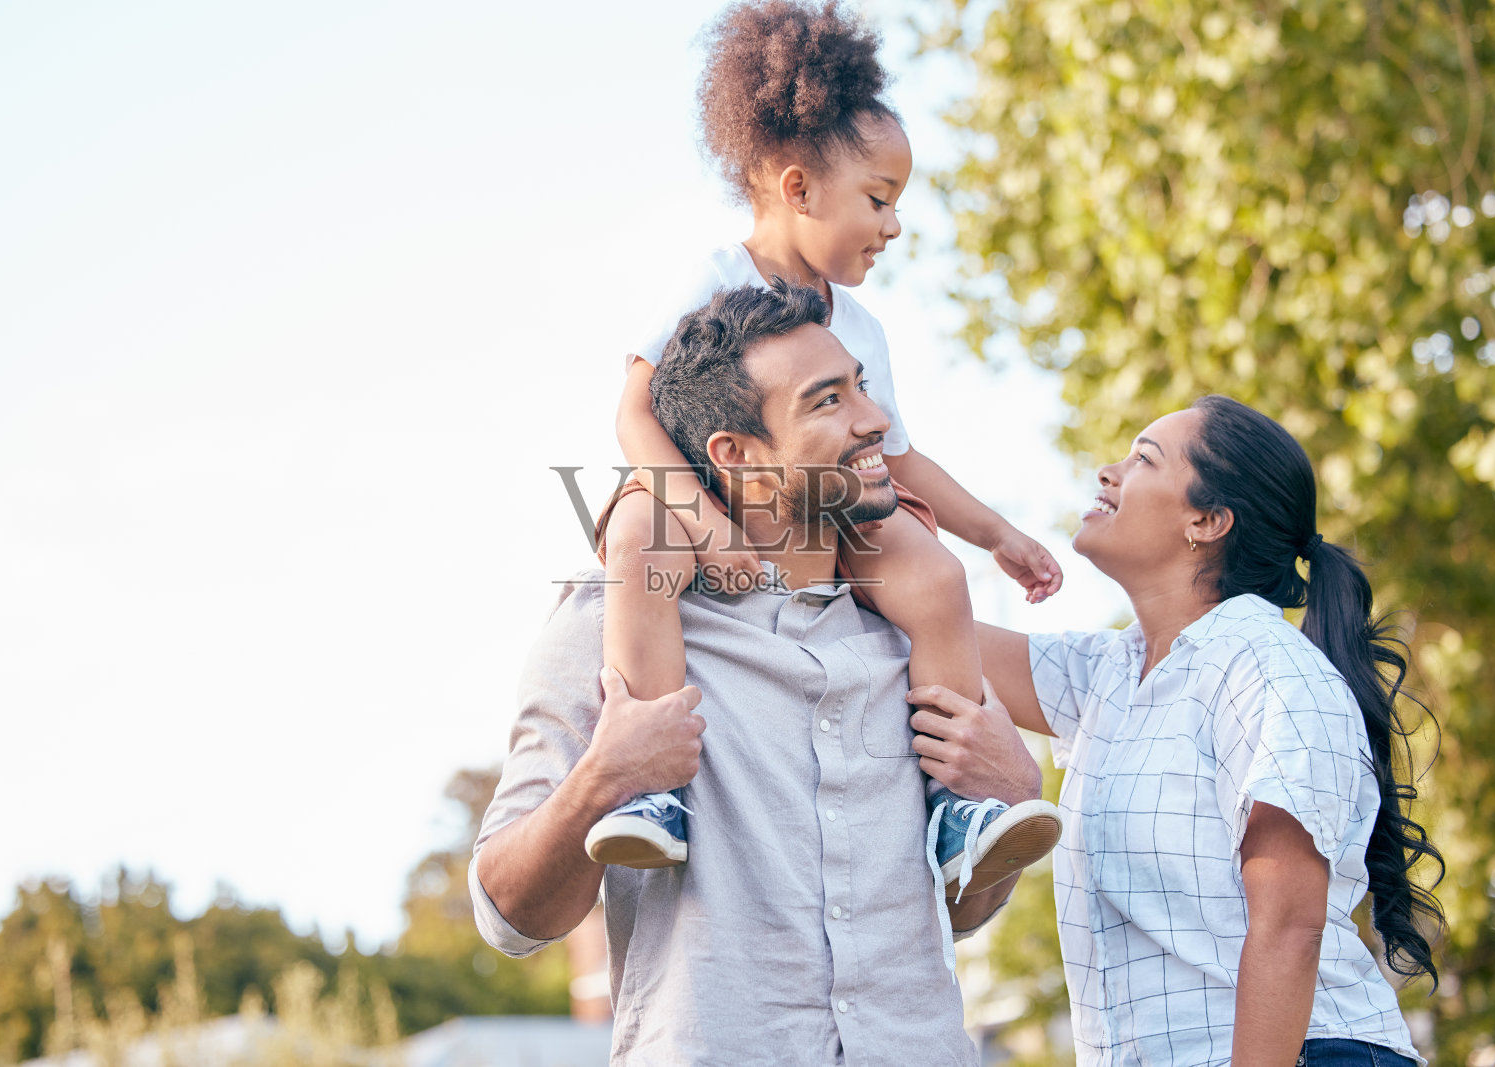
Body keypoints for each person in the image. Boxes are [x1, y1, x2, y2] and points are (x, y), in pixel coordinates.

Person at [471, 280, 1047, 1065]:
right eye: (827, 401)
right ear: (736, 456)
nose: (875, 421)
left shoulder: (915, 621)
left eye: (863, 389)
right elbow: (509, 915)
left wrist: (1008, 793)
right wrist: (603, 781)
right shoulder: (617, 615)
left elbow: (964, 905)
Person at [587, 0, 1063, 913]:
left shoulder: (864, 328)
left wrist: (996, 531)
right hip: (711, 495)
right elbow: (634, 412)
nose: (891, 227)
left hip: (827, 514)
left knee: (933, 574)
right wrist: (701, 515)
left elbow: (904, 459)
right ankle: (653, 785)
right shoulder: (713, 279)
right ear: (798, 188)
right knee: (639, 534)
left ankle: (956, 806)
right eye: (877, 201)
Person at [923, 395, 1442, 1065]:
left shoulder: (1269, 668)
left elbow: (1289, 924)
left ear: (1207, 520)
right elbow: (923, 614)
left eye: (1142, 458)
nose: (1107, 472)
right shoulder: (1108, 672)